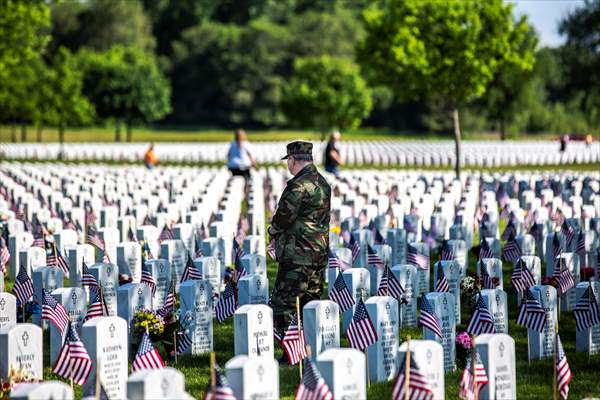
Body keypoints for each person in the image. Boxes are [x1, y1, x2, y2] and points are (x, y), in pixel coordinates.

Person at [268, 141, 331, 347]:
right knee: (310, 302)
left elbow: (283, 217)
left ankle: (290, 351)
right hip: (318, 253)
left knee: (284, 304)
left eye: (289, 161)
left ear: (293, 160)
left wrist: (272, 232)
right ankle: (313, 346)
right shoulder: (322, 182)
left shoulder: (298, 186)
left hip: (297, 254)